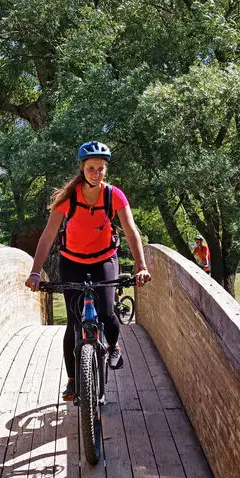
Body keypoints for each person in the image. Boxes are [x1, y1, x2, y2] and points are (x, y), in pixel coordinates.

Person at [25, 141, 151, 402]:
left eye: (101, 168)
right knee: (73, 323)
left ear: (106, 170)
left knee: (106, 312)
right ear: (82, 168)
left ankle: (114, 345)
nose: (96, 172)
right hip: (71, 262)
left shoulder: (113, 195)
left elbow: (130, 230)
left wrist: (141, 266)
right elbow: (48, 236)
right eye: (91, 168)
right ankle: (73, 381)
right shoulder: (68, 198)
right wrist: (36, 272)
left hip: (104, 259)